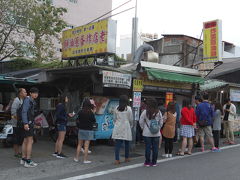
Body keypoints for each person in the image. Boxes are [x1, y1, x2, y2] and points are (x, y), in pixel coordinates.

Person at [139, 98, 163, 167]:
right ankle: (154, 162)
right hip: (156, 133)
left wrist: (143, 128)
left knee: (148, 147)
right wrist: (158, 128)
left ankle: (147, 162)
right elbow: (161, 122)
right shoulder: (158, 112)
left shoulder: (145, 112)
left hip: (146, 133)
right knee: (155, 148)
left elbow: (141, 121)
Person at [112, 95, 133, 165]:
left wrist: (116, 124)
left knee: (117, 144)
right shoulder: (129, 109)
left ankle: (117, 160)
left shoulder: (116, 108)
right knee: (127, 143)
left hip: (118, 126)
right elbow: (131, 119)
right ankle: (126, 158)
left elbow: (114, 119)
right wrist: (130, 125)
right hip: (126, 126)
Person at [20, 87, 39, 168]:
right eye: (34, 93)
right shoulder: (28, 100)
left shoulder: (29, 100)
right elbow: (24, 112)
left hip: (26, 123)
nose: (36, 94)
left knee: (25, 141)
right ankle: (28, 160)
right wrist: (26, 123)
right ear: (30, 93)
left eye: (37, 93)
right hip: (27, 123)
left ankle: (23, 159)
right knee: (30, 141)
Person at [74, 98, 96, 163]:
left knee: (79, 145)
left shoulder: (80, 111)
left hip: (81, 129)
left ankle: (76, 158)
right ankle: (85, 160)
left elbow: (78, 119)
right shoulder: (91, 112)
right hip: (88, 130)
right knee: (86, 146)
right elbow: (94, 121)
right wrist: (93, 112)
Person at [11, 88, 27, 158]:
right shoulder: (16, 100)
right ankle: (16, 153)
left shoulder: (23, 100)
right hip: (16, 123)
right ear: (20, 93)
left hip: (20, 123)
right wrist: (18, 120)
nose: (26, 93)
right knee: (16, 139)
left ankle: (19, 152)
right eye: (24, 92)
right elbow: (13, 113)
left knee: (20, 138)